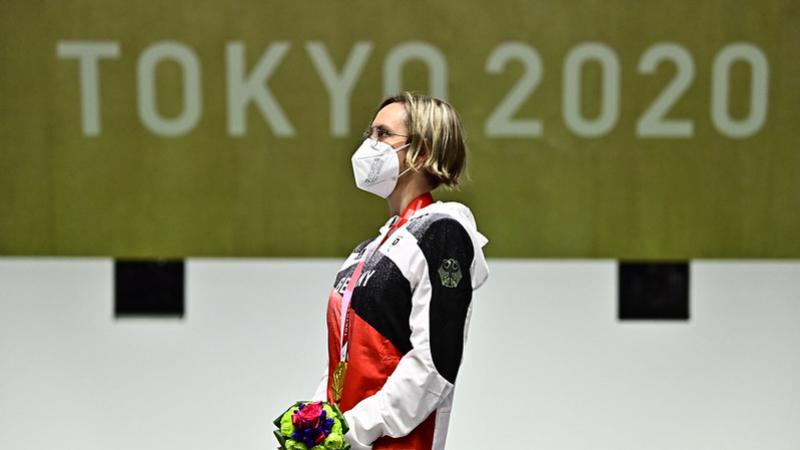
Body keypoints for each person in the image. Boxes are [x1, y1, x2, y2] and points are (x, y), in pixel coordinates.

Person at [312, 92, 489, 450]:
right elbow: (343, 361)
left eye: (382, 134)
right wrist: (315, 420)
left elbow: (433, 366)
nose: (368, 144)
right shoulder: (366, 251)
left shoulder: (442, 231)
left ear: (421, 152)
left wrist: (351, 430)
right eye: (369, 133)